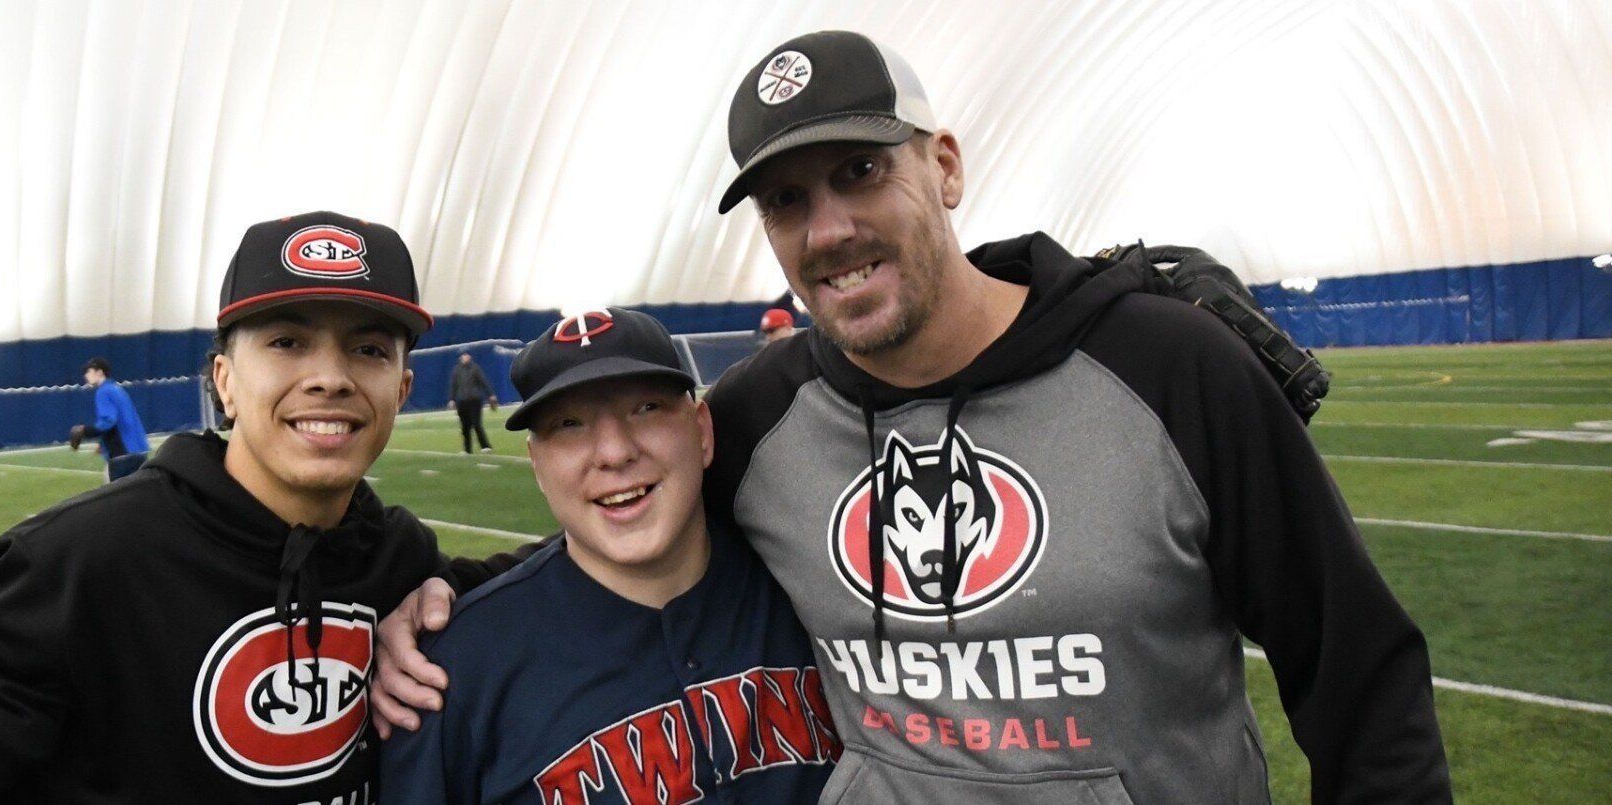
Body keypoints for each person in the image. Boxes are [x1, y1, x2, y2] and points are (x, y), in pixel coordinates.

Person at [373, 30, 1451, 804]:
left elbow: (1356, 671)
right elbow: (632, 519)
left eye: (858, 173)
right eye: (787, 201)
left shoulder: (1166, 366)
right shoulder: (766, 408)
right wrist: (437, 601)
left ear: (944, 166)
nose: (828, 226)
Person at [0, 211, 523, 803]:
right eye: (286, 343)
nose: (331, 377)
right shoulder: (67, 566)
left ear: (403, 388)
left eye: (370, 350)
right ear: (223, 381)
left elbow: (566, 572)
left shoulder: (399, 559)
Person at [381, 308, 837, 803]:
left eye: (646, 409)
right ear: (537, 465)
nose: (614, 452)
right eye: (569, 423)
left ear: (702, 432)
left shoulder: (812, 586)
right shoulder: (448, 674)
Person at [70, 357, 151, 481]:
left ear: (99, 372)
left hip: (121, 454)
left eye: (88, 371)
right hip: (139, 452)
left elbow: (108, 421)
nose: (85, 375)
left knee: (113, 497)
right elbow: (124, 420)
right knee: (137, 496)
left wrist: (85, 431)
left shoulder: (103, 391)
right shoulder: (117, 389)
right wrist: (102, 444)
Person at [447, 353, 496, 453]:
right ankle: (467, 450)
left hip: (475, 400)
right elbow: (453, 385)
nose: (465, 358)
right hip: (461, 401)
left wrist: (491, 394)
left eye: (466, 356)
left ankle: (485, 446)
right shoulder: (456, 370)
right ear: (460, 358)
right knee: (465, 426)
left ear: (470, 357)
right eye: (463, 356)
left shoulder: (475, 368)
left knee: (476, 423)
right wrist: (451, 399)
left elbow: (483, 382)